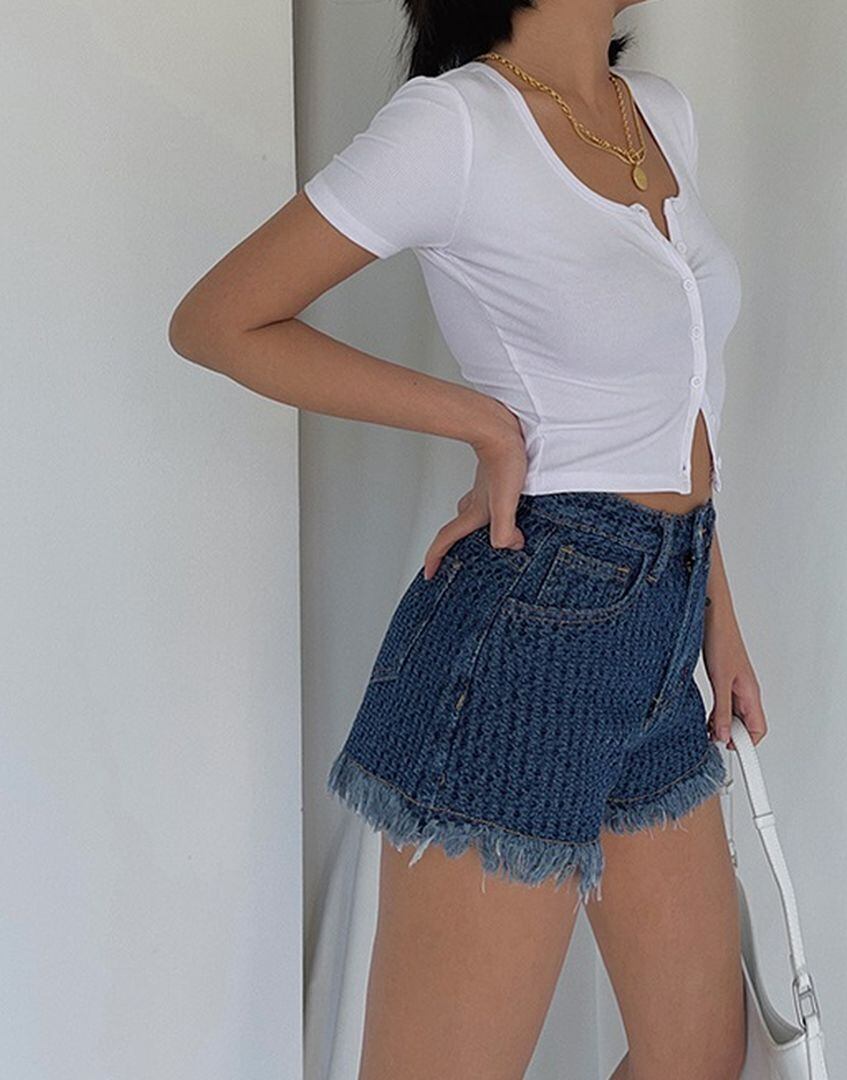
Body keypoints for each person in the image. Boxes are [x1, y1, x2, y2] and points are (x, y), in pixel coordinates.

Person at [169, 2, 767, 1076]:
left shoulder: (659, 115)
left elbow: (680, 401)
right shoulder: (454, 126)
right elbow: (219, 319)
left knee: (699, 1058)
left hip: (662, 628)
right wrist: (483, 423)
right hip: (526, 637)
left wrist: (716, 614)